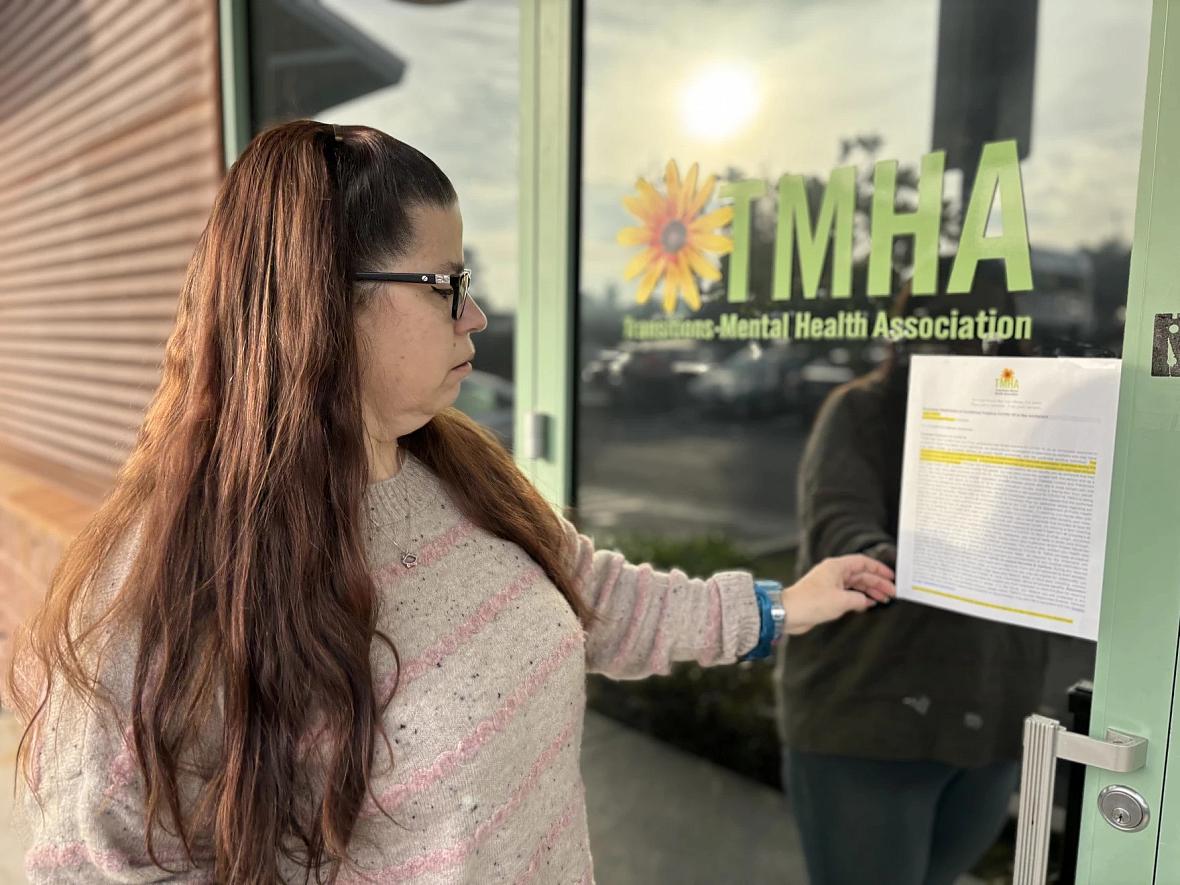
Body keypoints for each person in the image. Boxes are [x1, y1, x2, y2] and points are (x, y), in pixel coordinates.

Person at [5, 121, 895, 884]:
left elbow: (602, 602)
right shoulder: (177, 584)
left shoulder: (461, 469)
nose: (476, 317)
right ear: (325, 301)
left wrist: (780, 609)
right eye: (447, 285)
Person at [775, 264, 1049, 885]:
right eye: (956, 322)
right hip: (869, 718)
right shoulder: (861, 412)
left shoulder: (1034, 423)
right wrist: (900, 561)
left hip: (994, 717)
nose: (974, 342)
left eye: (991, 322)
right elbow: (840, 526)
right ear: (913, 325)